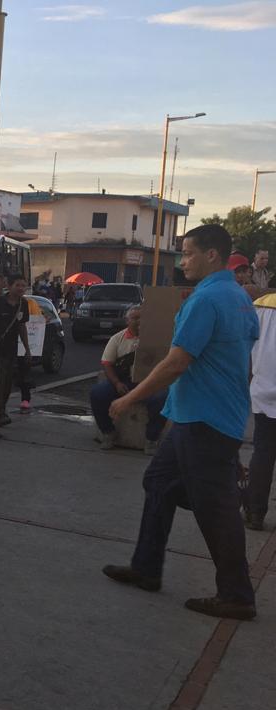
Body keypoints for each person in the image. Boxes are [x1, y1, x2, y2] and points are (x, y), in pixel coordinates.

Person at [103, 224, 259, 620]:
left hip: (205, 420)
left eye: (188, 253)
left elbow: (176, 362)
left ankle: (237, 595)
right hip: (205, 414)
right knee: (158, 482)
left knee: (216, 509)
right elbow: (245, 358)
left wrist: (129, 398)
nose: (182, 260)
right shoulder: (239, 298)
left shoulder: (205, 300)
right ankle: (146, 568)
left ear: (211, 255)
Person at [89, 307, 167, 453]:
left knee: (161, 399)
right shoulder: (117, 339)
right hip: (125, 380)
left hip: (148, 381)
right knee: (97, 394)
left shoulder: (155, 339)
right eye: (135, 318)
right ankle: (108, 432)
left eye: (142, 318)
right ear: (127, 321)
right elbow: (107, 363)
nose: (139, 322)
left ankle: (151, 439)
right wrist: (117, 383)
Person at [244, 291, 276, 530]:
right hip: (263, 391)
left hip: (264, 392)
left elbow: (247, 347)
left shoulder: (261, 305)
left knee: (263, 453)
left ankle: (255, 513)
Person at [0, 274, 31, 426]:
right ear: (9, 286)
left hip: (12, 349)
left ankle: (0, 409)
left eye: (23, 286)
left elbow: (22, 326)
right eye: (17, 285)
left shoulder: (23, 304)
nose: (21, 288)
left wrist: (27, 348)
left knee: (6, 383)